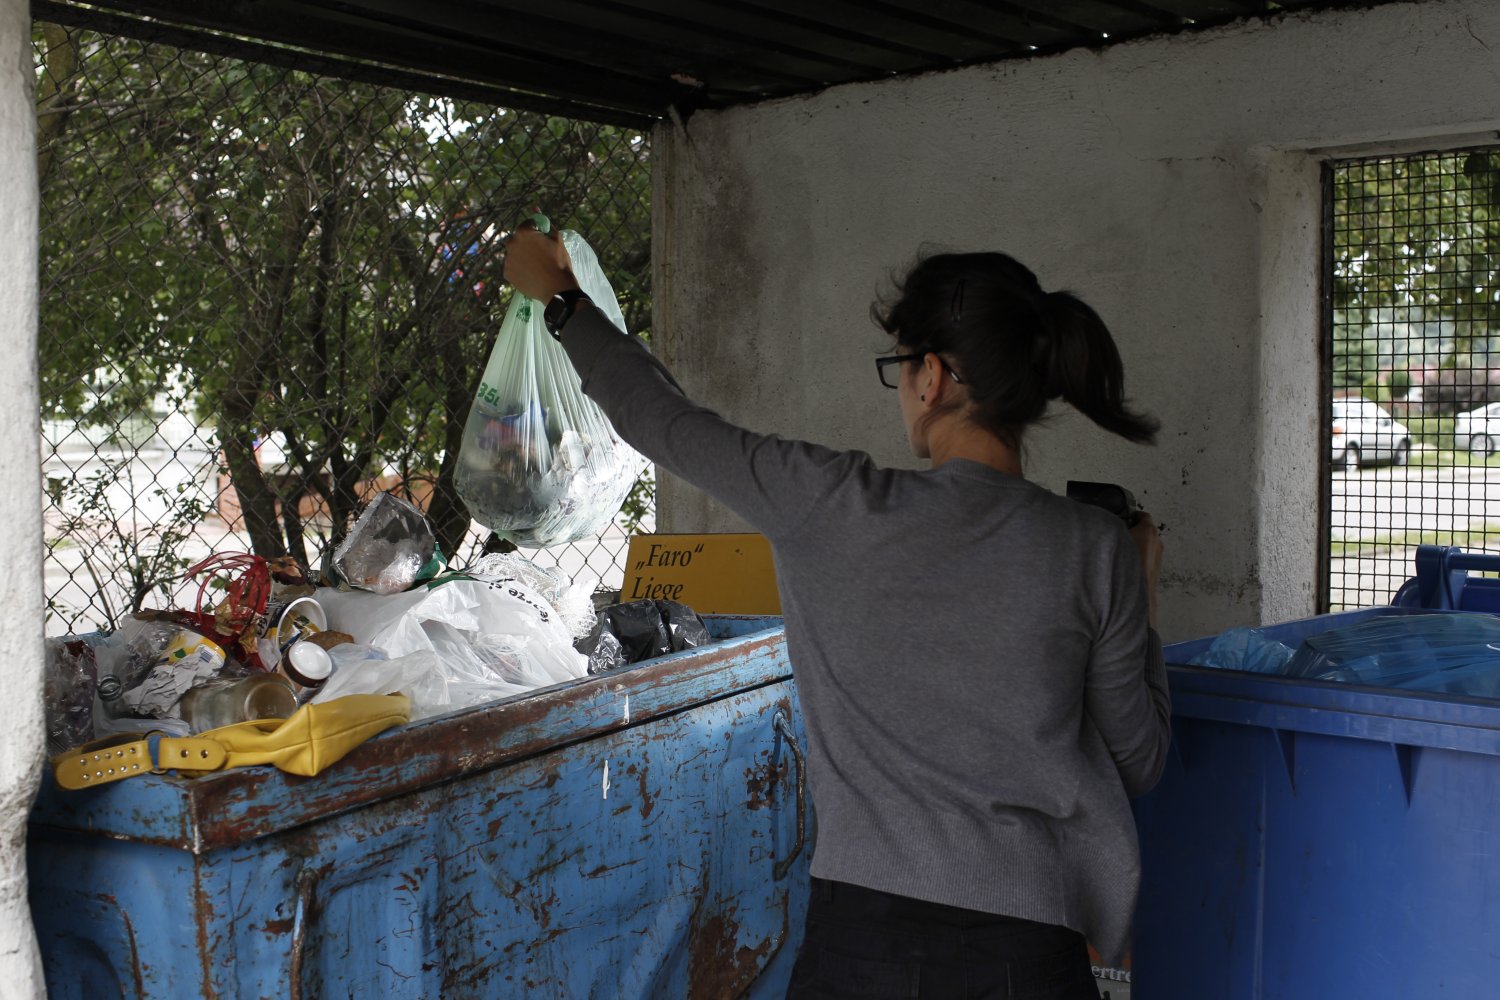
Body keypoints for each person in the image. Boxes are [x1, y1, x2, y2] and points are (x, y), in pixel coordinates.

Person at [503, 225, 1171, 1000]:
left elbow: (664, 420)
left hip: (865, 947)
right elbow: (1140, 760)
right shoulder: (1094, 549)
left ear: (934, 378)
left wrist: (564, 303)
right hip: (1033, 955)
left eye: (901, 368)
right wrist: (1143, 583)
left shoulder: (828, 504)